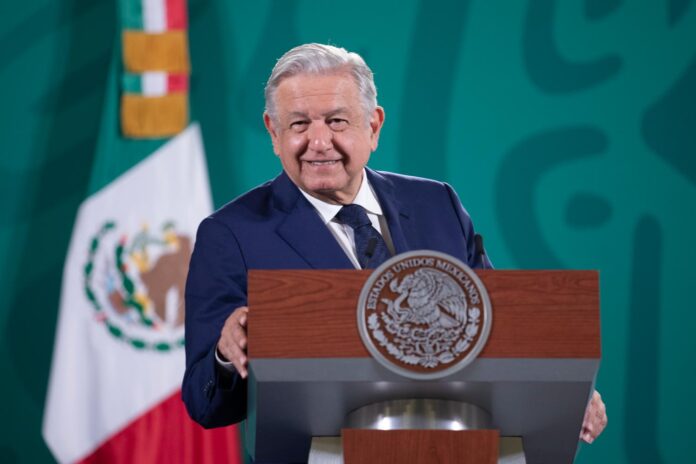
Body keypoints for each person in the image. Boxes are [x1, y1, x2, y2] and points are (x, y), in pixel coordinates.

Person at [182, 43, 607, 444]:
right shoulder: (231, 234)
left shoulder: (437, 204)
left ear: (373, 126)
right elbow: (204, 403)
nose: (318, 142)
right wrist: (226, 355)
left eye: (336, 121)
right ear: (274, 133)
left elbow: (494, 331)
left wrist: (563, 393)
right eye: (298, 124)